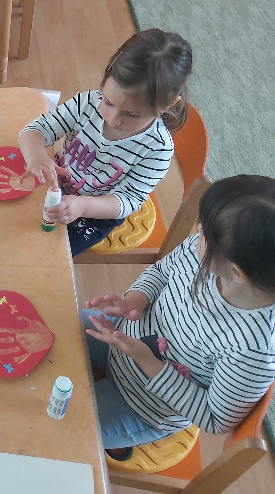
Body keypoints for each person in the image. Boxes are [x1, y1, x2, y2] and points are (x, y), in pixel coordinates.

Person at [82, 175, 275, 460]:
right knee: (48, 326)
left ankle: (117, 437)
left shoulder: (253, 349)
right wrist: (133, 301)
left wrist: (146, 360)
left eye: (204, 233)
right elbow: (162, 272)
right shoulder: (204, 252)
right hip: (119, 335)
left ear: (237, 272)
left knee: (60, 420)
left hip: (143, 406)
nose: (197, 232)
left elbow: (214, 418)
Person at [19, 28, 193, 255]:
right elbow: (35, 130)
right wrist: (35, 155)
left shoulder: (157, 149)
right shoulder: (88, 103)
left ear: (168, 104)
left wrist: (83, 206)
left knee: (46, 253)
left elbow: (128, 200)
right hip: (55, 184)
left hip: (96, 212)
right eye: (109, 102)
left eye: (132, 115)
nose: (113, 119)